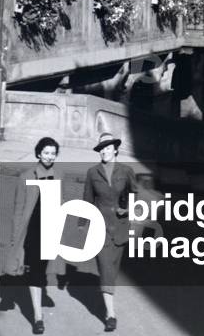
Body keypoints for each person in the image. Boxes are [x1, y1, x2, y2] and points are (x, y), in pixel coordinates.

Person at [4, 136, 66, 334]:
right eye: (46, 153)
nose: (49, 157)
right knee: (36, 273)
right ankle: (38, 318)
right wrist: (15, 238)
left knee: (44, 269)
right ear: (39, 153)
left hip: (51, 231)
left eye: (53, 153)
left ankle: (39, 298)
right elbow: (18, 209)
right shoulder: (25, 177)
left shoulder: (60, 175)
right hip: (31, 233)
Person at [82, 131, 139, 333]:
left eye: (107, 147)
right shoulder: (92, 173)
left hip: (121, 227)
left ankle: (108, 295)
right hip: (100, 227)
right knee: (106, 268)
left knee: (112, 270)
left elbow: (135, 194)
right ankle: (110, 315)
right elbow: (87, 201)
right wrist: (83, 228)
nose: (104, 151)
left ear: (115, 149)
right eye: (101, 148)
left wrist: (129, 209)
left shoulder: (126, 171)